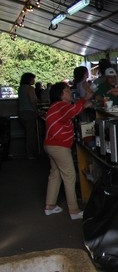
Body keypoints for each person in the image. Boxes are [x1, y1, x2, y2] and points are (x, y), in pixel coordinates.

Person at [44, 82, 94, 220]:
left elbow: (74, 109)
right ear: (61, 94)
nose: (70, 92)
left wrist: (84, 101)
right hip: (59, 146)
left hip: (51, 145)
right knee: (70, 175)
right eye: (67, 90)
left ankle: (50, 206)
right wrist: (84, 101)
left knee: (55, 174)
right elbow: (74, 111)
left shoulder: (56, 106)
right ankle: (74, 210)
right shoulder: (61, 105)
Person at [17, 72, 40, 159]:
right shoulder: (30, 88)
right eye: (33, 79)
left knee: (27, 133)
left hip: (21, 112)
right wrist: (37, 111)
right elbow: (33, 101)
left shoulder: (20, 88)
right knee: (31, 135)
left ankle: (29, 153)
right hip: (29, 113)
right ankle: (31, 154)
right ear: (29, 79)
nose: (34, 80)